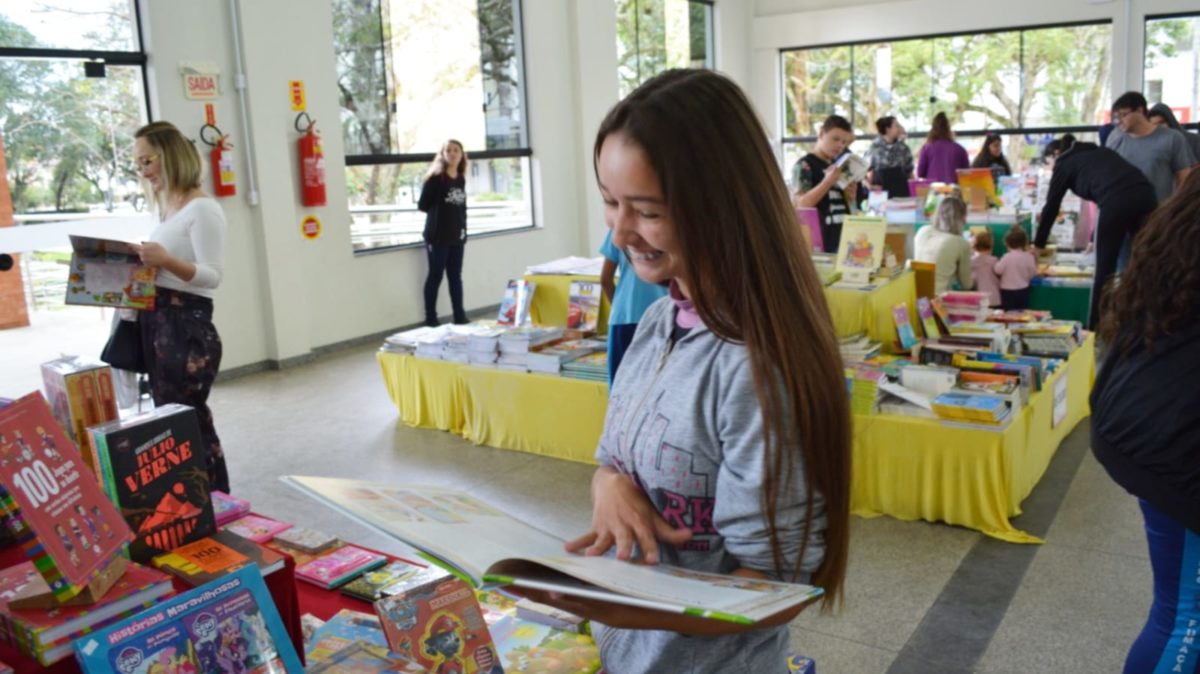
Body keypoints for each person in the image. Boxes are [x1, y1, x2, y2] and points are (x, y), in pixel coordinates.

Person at [521, 69, 851, 673]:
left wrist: (633, 610)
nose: (618, 232)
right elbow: (616, 458)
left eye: (645, 211)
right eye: (609, 200)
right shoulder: (658, 322)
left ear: (722, 206)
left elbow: (775, 591)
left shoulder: (754, 368)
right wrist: (609, 486)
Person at [1091, 170, 1200, 674]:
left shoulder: (1177, 228)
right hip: (1174, 448)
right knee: (1186, 618)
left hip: (1142, 423)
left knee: (1179, 609)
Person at [130, 121, 229, 493]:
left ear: (170, 155)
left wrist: (165, 260)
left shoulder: (202, 209)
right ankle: (187, 501)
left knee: (188, 420)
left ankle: (214, 500)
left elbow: (212, 276)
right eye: (138, 165)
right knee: (169, 419)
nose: (143, 172)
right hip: (158, 322)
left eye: (147, 161)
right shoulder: (170, 209)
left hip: (185, 327)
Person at [1034, 134, 1158, 328]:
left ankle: (1096, 328)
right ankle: (1151, 317)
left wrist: (1038, 245)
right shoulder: (1099, 152)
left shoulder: (1064, 163)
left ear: (1056, 154)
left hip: (1116, 200)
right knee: (1147, 260)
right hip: (1146, 194)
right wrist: (1094, 236)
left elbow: (1052, 205)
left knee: (1104, 269)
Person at [598, 229, 667, 386]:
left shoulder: (619, 228)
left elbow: (605, 280)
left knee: (621, 387)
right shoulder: (667, 225)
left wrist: (619, 309)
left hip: (625, 315)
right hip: (665, 317)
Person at [1106, 91, 1195, 203]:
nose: (1119, 121)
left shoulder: (1172, 138)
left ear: (1140, 111)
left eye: (1124, 115)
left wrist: (1176, 208)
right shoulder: (1114, 138)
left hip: (1158, 212)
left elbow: (1183, 178)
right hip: (1122, 210)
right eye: (1116, 117)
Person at [418, 140, 469, 327]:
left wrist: (464, 231)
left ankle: (460, 316)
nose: (453, 153)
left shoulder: (461, 178)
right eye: (449, 150)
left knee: (456, 277)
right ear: (443, 154)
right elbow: (422, 206)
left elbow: (462, 208)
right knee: (436, 275)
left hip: (457, 237)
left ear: (462, 154)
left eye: (456, 150)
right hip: (437, 237)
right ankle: (430, 318)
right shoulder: (435, 179)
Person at [792, 114, 858, 253]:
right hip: (819, 243)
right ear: (822, 133)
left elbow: (848, 208)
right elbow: (801, 204)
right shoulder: (805, 164)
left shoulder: (838, 166)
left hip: (843, 240)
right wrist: (828, 181)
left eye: (844, 142)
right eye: (835, 139)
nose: (840, 145)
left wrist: (850, 197)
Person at [913, 194, 972, 294]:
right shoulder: (959, 243)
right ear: (961, 218)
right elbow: (966, 284)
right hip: (938, 301)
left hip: (913, 294)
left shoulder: (922, 231)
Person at [864, 115, 913, 197]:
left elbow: (909, 171)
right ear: (888, 129)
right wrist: (869, 187)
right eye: (896, 126)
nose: (900, 128)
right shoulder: (874, 149)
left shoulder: (903, 148)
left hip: (902, 192)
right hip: (881, 194)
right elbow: (862, 172)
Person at [917, 112, 969, 183]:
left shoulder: (927, 148)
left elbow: (920, 173)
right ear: (949, 129)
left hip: (933, 190)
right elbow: (966, 173)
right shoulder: (960, 149)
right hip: (954, 189)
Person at [994, 227, 1037, 310]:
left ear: (1007, 243)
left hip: (1007, 291)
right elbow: (1033, 272)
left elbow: (998, 270)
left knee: (1008, 313)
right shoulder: (1029, 257)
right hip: (1023, 289)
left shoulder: (1006, 257)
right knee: (1022, 312)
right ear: (1025, 243)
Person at [1147, 103, 1200, 170]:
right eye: (1154, 125)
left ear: (1170, 121)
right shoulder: (1154, 147)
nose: (1158, 128)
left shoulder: (1194, 141)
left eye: (1161, 123)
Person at [970, 229, 1001, 307]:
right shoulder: (994, 261)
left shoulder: (971, 261)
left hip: (977, 298)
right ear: (991, 245)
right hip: (994, 297)